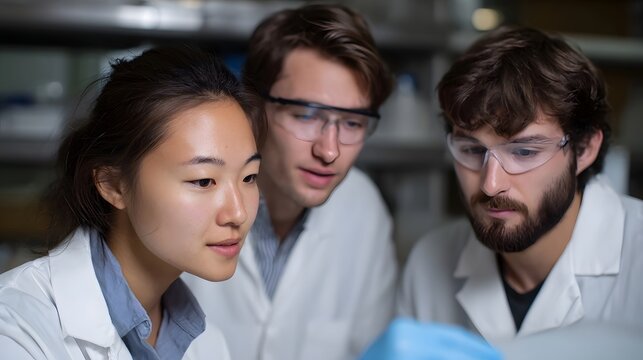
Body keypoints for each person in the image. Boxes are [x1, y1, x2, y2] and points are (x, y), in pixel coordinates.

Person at [0, 45, 265, 359]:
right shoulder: (17, 329)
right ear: (114, 185)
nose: (238, 212)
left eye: (249, 177)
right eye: (204, 180)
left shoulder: (207, 344)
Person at [397, 25, 643, 344]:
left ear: (584, 150)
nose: (491, 185)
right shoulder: (428, 261)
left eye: (524, 151)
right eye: (472, 150)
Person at [183, 4, 398, 360]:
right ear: (254, 105)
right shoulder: (190, 194)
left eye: (352, 123)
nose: (329, 151)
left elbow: (371, 349)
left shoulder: (364, 207)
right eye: (305, 115)